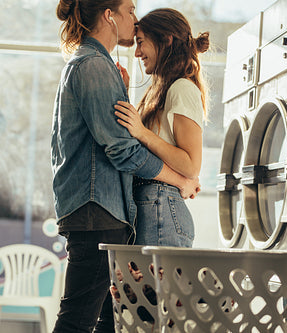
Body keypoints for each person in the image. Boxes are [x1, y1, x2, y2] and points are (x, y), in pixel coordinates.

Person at [52, 1, 199, 332]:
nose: (135, 19)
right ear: (109, 16)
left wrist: (120, 88)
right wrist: (180, 179)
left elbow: (120, 135)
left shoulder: (94, 65)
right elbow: (123, 150)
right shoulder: (93, 66)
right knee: (80, 318)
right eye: (130, 10)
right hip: (98, 211)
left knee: (108, 320)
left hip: (98, 210)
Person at [113, 8, 209, 247]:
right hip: (154, 206)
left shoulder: (182, 88)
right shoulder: (163, 90)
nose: (136, 53)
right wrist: (123, 92)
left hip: (161, 209)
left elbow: (191, 165)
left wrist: (142, 133)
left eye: (141, 43)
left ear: (165, 40)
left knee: (155, 286)